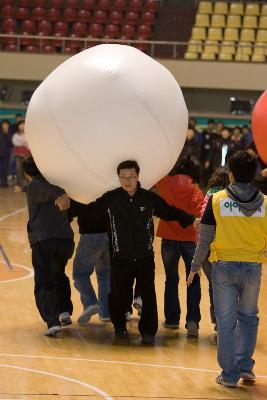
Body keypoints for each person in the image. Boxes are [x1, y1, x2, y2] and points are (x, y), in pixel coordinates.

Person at [58, 160, 195, 345]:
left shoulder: (148, 198)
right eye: (123, 177)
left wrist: (192, 220)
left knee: (148, 296)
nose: (127, 180)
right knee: (119, 296)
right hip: (120, 259)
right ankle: (119, 327)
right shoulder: (112, 198)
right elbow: (90, 210)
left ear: (138, 177)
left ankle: (148, 332)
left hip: (145, 259)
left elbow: (169, 212)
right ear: (119, 178)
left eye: (130, 177)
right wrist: (70, 207)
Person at [188, 151, 266, 387]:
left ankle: (230, 375)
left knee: (226, 321)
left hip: (223, 268)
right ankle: (245, 367)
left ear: (230, 175)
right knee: (249, 317)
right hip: (253, 268)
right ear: (253, 174)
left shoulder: (217, 200)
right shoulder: (265, 202)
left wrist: (194, 266)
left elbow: (205, 239)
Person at [22, 156, 74, 337]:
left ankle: (52, 322)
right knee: (58, 274)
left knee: (44, 281)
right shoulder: (56, 182)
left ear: (25, 173)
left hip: (45, 240)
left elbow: (47, 190)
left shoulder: (35, 185)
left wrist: (59, 195)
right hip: (64, 240)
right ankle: (64, 311)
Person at [156, 156, 204, 337]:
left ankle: (172, 319)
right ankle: (192, 321)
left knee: (171, 279)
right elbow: (201, 213)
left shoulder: (166, 183)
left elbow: (155, 174)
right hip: (191, 241)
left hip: (168, 240)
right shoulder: (195, 191)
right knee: (193, 281)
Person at [69, 200, 111, 324]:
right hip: (109, 236)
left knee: (80, 274)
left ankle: (90, 303)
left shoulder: (82, 192)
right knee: (105, 274)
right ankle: (106, 313)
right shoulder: (105, 188)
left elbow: (70, 212)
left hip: (90, 236)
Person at [200, 166, 230, 329]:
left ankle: (217, 319)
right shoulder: (232, 196)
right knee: (229, 286)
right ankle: (226, 319)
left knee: (214, 284)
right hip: (226, 246)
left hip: (208, 246)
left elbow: (203, 217)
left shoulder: (210, 193)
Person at [12, 120, 30, 191]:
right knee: (19, 169)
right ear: (18, 126)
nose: (22, 126)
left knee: (26, 169)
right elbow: (15, 143)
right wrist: (24, 144)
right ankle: (22, 185)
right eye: (20, 125)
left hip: (27, 154)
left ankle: (27, 185)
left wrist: (24, 144)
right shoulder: (15, 135)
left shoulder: (29, 134)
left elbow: (29, 143)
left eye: (23, 124)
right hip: (18, 155)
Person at [0, 120, 12, 188]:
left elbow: (11, 142)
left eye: (6, 124)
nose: (5, 125)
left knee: (5, 168)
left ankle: (4, 182)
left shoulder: (10, 133)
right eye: (4, 124)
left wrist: (7, 133)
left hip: (6, 154)